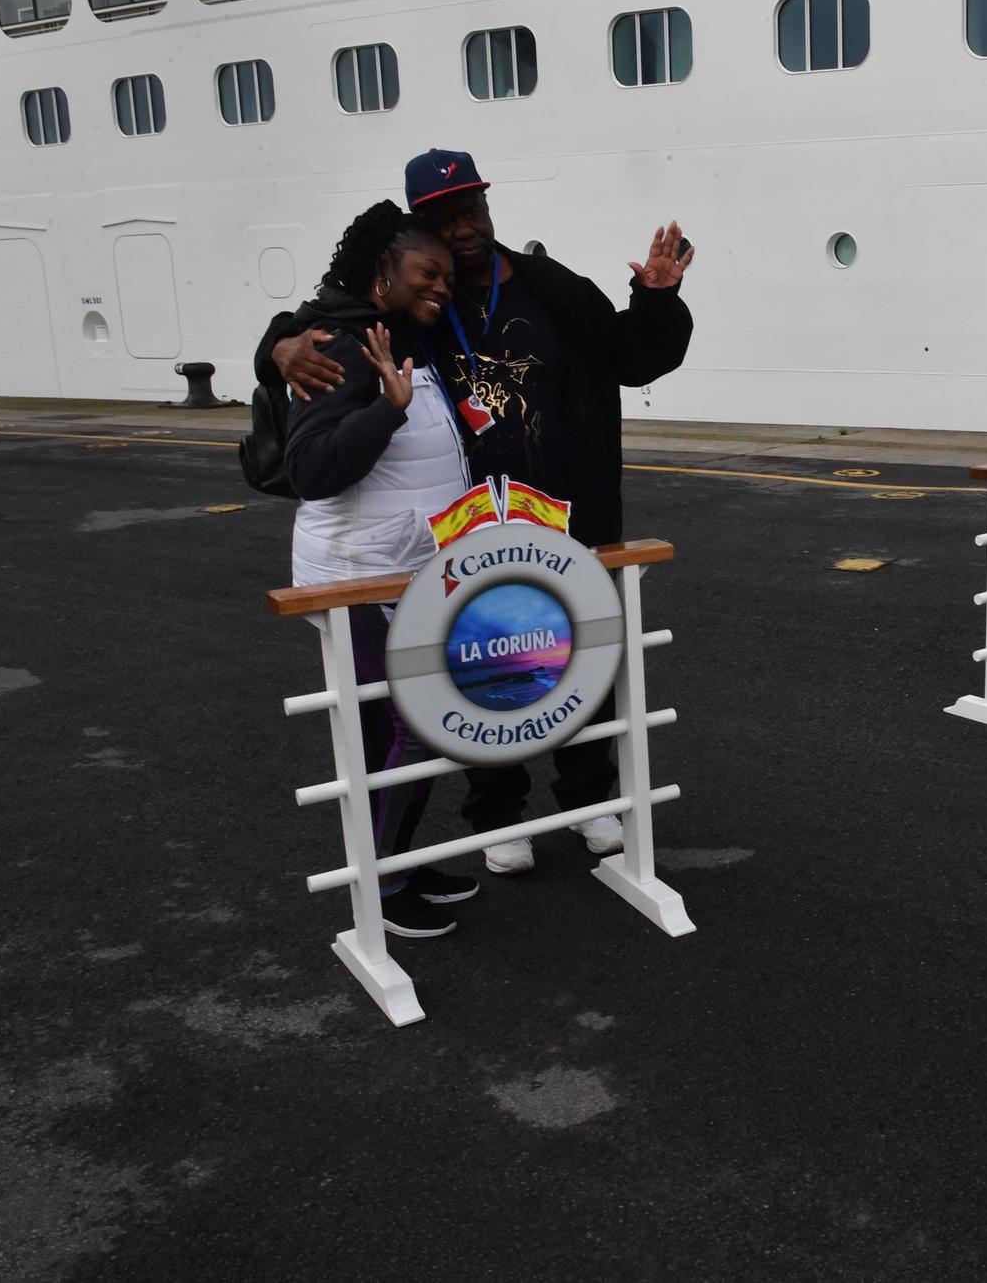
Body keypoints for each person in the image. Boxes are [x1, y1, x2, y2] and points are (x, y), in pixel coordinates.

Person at [261, 149, 695, 874]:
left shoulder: (550, 288)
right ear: (419, 230)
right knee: (488, 671)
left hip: (570, 519)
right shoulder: (416, 304)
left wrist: (654, 299)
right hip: (470, 533)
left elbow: (631, 357)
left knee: (582, 663)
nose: (462, 230)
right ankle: (497, 813)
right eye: (443, 219)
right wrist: (275, 348)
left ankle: (591, 803)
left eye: (472, 210)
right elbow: (323, 320)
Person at [281, 200, 479, 937]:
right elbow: (311, 468)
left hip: (408, 573)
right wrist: (386, 412)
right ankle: (381, 886)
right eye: (429, 272)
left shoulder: (400, 337)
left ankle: (396, 859)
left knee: (413, 730)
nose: (442, 287)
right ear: (381, 270)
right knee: (406, 727)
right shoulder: (332, 342)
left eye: (449, 278)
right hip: (356, 577)